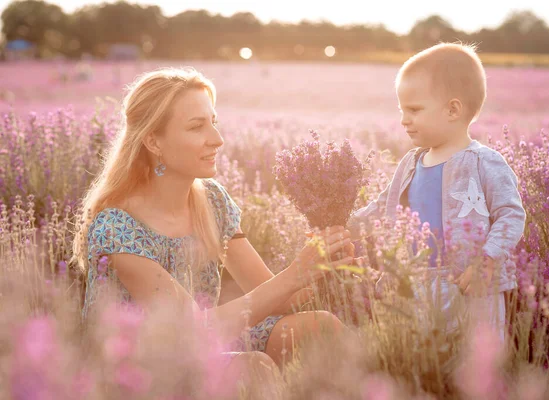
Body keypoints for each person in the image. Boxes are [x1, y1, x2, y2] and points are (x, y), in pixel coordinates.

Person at [71, 67, 355, 381]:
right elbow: (192, 330)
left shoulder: (212, 201)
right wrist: (294, 275)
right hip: (134, 370)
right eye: (197, 127)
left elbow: (280, 300)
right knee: (253, 367)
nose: (217, 140)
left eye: (213, 123)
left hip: (195, 347)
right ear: (153, 141)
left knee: (321, 327)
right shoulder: (118, 227)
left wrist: (325, 267)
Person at [348, 43, 526, 340]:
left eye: (414, 110)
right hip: (414, 283)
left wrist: (488, 260)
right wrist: (347, 227)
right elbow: (383, 206)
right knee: (421, 359)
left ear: (452, 109)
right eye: (402, 110)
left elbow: (510, 214)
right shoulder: (410, 163)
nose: (404, 119)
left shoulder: (484, 162)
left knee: (474, 360)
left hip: (470, 284)